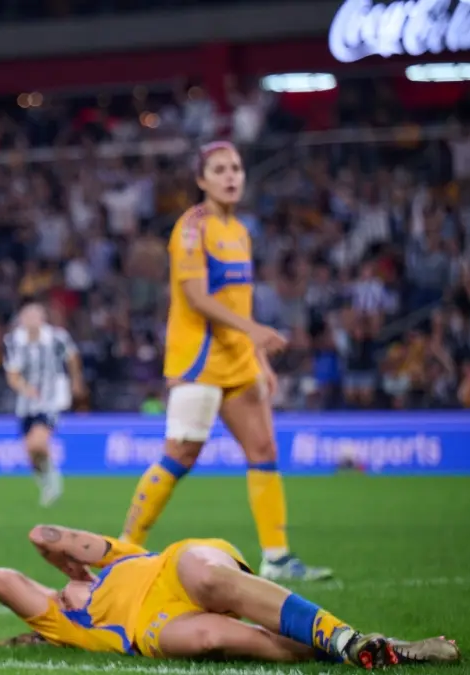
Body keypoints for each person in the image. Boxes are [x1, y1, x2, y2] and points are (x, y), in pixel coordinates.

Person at [118, 141, 331, 581]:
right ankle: (124, 550)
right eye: (220, 169)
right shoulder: (192, 229)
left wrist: (258, 357)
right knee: (180, 456)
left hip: (238, 360)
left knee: (264, 449)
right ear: (201, 180)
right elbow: (195, 297)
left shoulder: (240, 230)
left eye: (236, 168)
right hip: (197, 360)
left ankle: (276, 557)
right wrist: (254, 332)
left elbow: (240, 300)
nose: (231, 176)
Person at [0, 524, 461, 667]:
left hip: (176, 569)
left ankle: (344, 637)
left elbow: (41, 534)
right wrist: (60, 591)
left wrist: (59, 557)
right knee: (213, 637)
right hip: (151, 628)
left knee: (210, 580)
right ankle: (374, 648)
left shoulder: (121, 560)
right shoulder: (65, 623)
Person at [3, 301, 85, 506]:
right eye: (26, 316)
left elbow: (73, 357)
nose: (30, 320)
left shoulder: (57, 337)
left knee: (37, 442)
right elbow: (12, 374)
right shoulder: (14, 341)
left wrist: (76, 381)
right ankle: (46, 481)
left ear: (42, 319)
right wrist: (24, 387)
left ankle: (53, 480)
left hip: (52, 398)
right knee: (31, 452)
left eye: (35, 316)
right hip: (26, 402)